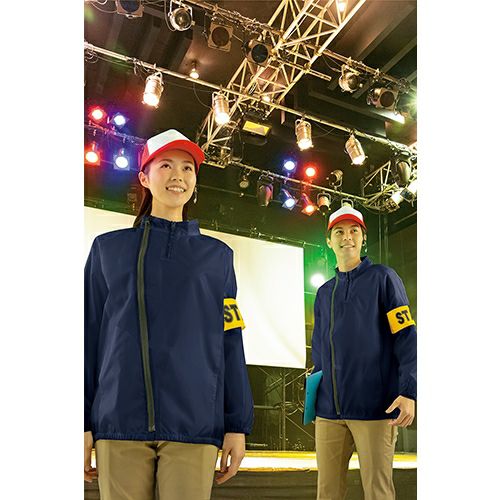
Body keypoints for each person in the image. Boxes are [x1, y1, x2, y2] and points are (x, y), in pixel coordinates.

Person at [84, 129, 254, 500]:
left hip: (194, 424)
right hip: (119, 422)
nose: (178, 175)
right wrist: (80, 421)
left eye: (187, 168)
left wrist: (236, 424)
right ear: (144, 177)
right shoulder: (108, 250)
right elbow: (86, 336)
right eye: (165, 165)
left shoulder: (218, 257)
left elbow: (230, 341)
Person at [311, 205, 417, 500]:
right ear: (329, 241)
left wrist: (409, 391)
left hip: (375, 409)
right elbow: (319, 349)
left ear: (363, 238)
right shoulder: (324, 293)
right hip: (328, 413)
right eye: (339, 232)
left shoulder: (384, 278)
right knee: (327, 493)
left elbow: (406, 336)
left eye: (354, 230)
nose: (347, 237)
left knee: (377, 492)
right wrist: (317, 397)